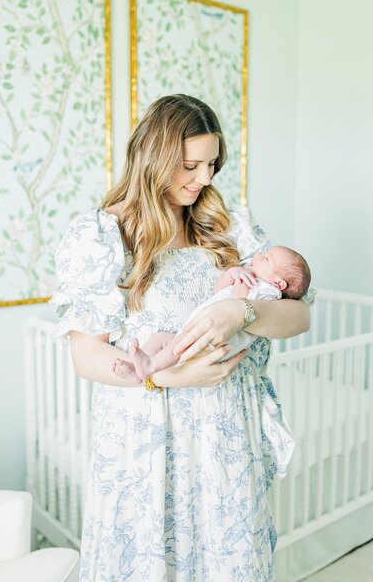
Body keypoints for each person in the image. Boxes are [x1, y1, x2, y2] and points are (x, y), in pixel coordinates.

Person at [50, 94, 312, 582]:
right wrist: (170, 377)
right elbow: (86, 356)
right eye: (191, 165)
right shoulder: (103, 236)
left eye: (212, 163)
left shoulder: (229, 228)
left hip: (226, 435)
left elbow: (300, 318)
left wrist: (242, 310)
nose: (205, 178)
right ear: (154, 158)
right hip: (146, 434)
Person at [111, 246, 311, 385]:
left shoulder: (268, 292)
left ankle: (151, 364)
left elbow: (235, 305)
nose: (258, 256)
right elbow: (218, 292)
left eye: (265, 258)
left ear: (279, 284)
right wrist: (232, 274)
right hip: (202, 330)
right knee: (163, 339)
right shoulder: (251, 279)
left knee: (177, 346)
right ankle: (140, 369)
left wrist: (241, 284)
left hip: (214, 339)